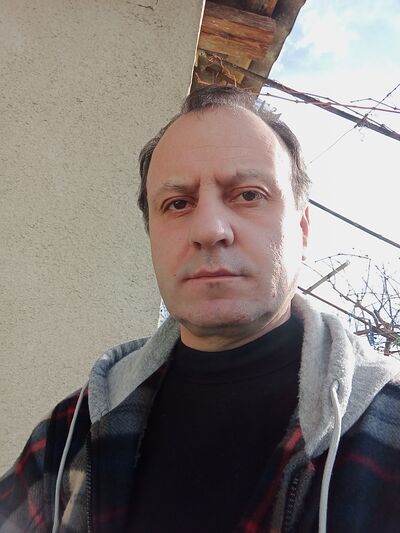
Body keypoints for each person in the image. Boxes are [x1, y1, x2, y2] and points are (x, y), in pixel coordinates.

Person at [1, 85, 400, 533]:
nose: (209, 229)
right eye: (177, 204)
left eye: (248, 194)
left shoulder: (389, 426)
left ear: (303, 228)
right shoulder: (71, 431)